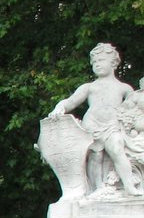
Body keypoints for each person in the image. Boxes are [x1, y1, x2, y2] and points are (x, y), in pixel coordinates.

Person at [49, 42, 143, 197]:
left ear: (113, 63)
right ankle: (97, 188)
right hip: (92, 125)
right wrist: (59, 108)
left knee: (117, 149)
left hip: (113, 125)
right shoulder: (89, 87)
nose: (97, 64)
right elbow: (70, 102)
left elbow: (135, 108)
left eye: (101, 61)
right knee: (95, 156)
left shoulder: (124, 88)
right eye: (95, 62)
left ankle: (129, 185)